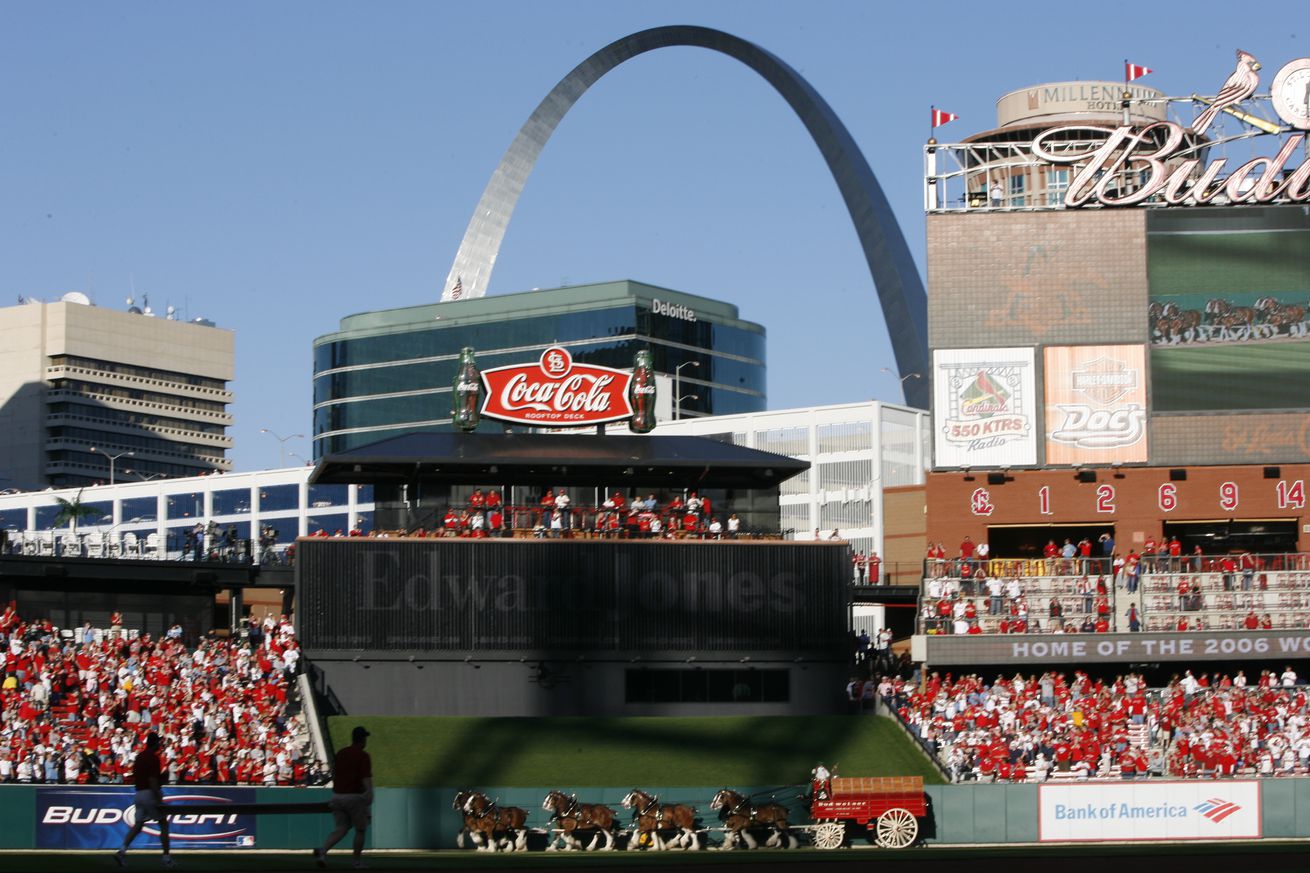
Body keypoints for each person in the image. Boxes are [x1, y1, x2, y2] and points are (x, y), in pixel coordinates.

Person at [315, 726, 374, 869]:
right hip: (353, 797)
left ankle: (323, 852)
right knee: (361, 829)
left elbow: (335, 774)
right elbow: (365, 778)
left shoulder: (341, 753)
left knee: (341, 828)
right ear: (362, 739)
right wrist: (370, 792)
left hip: (337, 796)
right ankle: (357, 862)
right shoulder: (363, 755)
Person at [115, 732, 172, 868]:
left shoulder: (139, 756)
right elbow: (152, 780)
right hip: (149, 793)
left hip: (139, 793)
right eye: (158, 742)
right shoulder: (153, 757)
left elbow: (140, 775)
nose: (159, 744)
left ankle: (122, 851)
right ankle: (166, 858)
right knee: (163, 823)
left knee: (138, 825)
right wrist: (158, 794)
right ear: (155, 743)